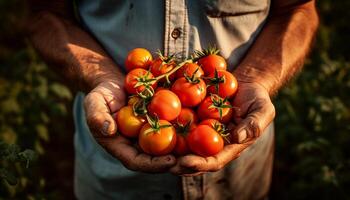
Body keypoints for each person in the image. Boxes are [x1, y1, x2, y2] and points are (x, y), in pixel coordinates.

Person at [28, 0, 318, 199]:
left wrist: (256, 78)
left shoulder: (172, 90)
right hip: (110, 182)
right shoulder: (173, 91)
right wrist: (100, 76)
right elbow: (45, 12)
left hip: (239, 181)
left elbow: (298, 8)